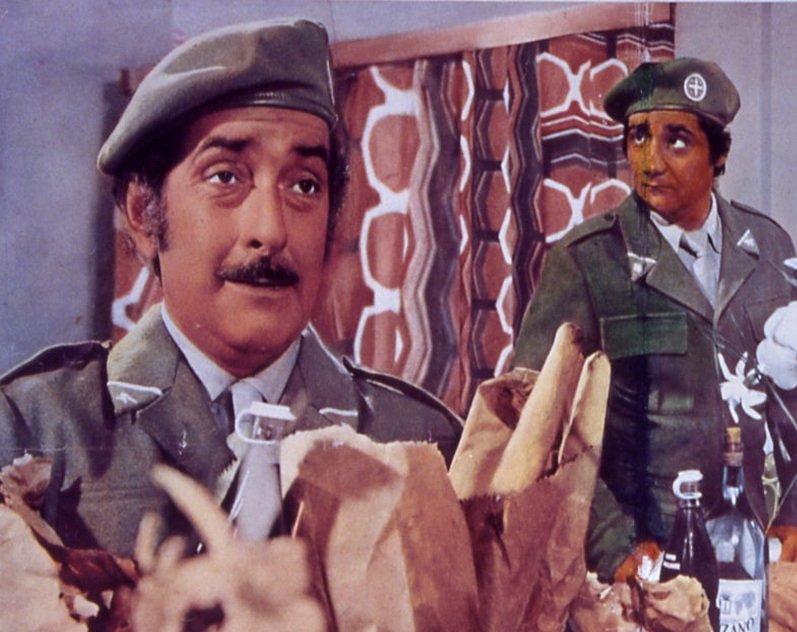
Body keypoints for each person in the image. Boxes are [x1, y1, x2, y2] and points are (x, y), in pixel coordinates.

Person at [0, 18, 461, 557]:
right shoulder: (35, 425)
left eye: (304, 185)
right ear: (144, 214)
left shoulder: (420, 440)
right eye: (226, 177)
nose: (270, 230)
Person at [513, 57, 797, 581]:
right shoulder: (587, 261)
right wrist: (613, 546)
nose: (650, 162)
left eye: (677, 140)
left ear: (719, 155)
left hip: (749, 556)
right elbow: (535, 416)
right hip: (640, 567)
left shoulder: (768, 247)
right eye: (638, 137)